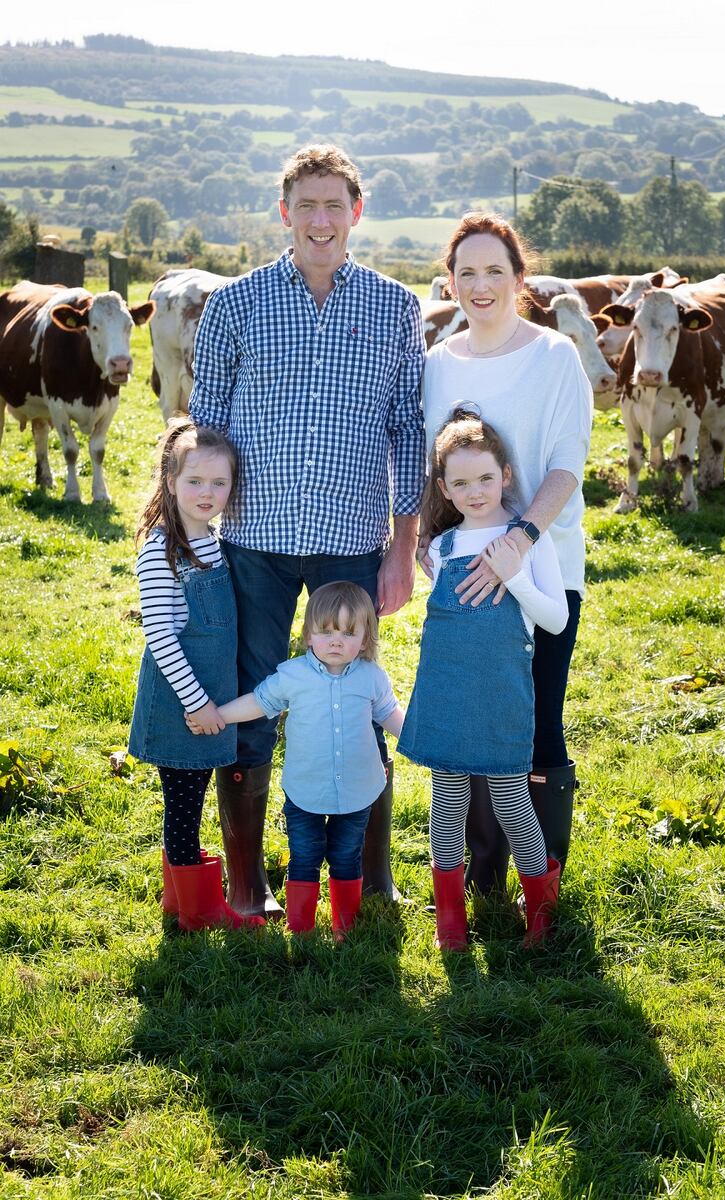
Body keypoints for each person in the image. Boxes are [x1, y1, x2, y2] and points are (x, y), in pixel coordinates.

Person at [188, 144, 425, 918]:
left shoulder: (393, 306)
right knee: (254, 697)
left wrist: (402, 547)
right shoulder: (235, 304)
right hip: (253, 538)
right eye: (306, 205)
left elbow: (408, 430)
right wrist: (191, 527)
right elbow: (207, 424)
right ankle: (249, 879)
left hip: (352, 536)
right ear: (283, 212)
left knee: (358, 696)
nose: (321, 220)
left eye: (335, 206)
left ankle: (373, 873)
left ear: (357, 213)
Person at [420, 213, 593, 892]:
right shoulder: (437, 365)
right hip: (466, 582)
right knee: (470, 722)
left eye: (496, 270)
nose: (481, 284)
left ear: (521, 279)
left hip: (542, 566)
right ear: (451, 281)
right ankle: (482, 877)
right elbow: (436, 468)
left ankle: (543, 881)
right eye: (467, 272)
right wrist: (434, 549)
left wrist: (521, 541)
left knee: (534, 718)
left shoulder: (554, 356)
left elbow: (565, 463)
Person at [398, 412, 567, 949]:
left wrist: (515, 577)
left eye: (486, 479)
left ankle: (541, 907)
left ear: (507, 476)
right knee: (446, 802)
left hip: (501, 689)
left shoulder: (527, 541)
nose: (475, 492)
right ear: (444, 489)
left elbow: (555, 620)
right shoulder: (442, 548)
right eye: (462, 483)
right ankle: (450, 915)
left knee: (511, 798)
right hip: (447, 684)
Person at [188, 582, 404, 940]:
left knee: (348, 854)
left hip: (357, 789)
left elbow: (391, 716)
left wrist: (423, 740)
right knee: (304, 854)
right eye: (326, 631)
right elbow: (259, 702)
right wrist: (219, 715)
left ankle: (344, 927)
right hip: (305, 789)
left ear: (366, 640)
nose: (336, 641)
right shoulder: (293, 675)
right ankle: (301, 927)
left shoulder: (371, 678)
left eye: (349, 633)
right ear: (308, 636)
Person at [127, 420, 265, 932]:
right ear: (169, 480)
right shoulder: (160, 551)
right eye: (195, 482)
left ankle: (180, 901)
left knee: (191, 798)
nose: (207, 494)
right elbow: (161, 637)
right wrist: (196, 703)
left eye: (220, 483)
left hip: (208, 703)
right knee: (184, 804)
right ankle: (198, 912)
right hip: (183, 707)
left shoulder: (214, 540)